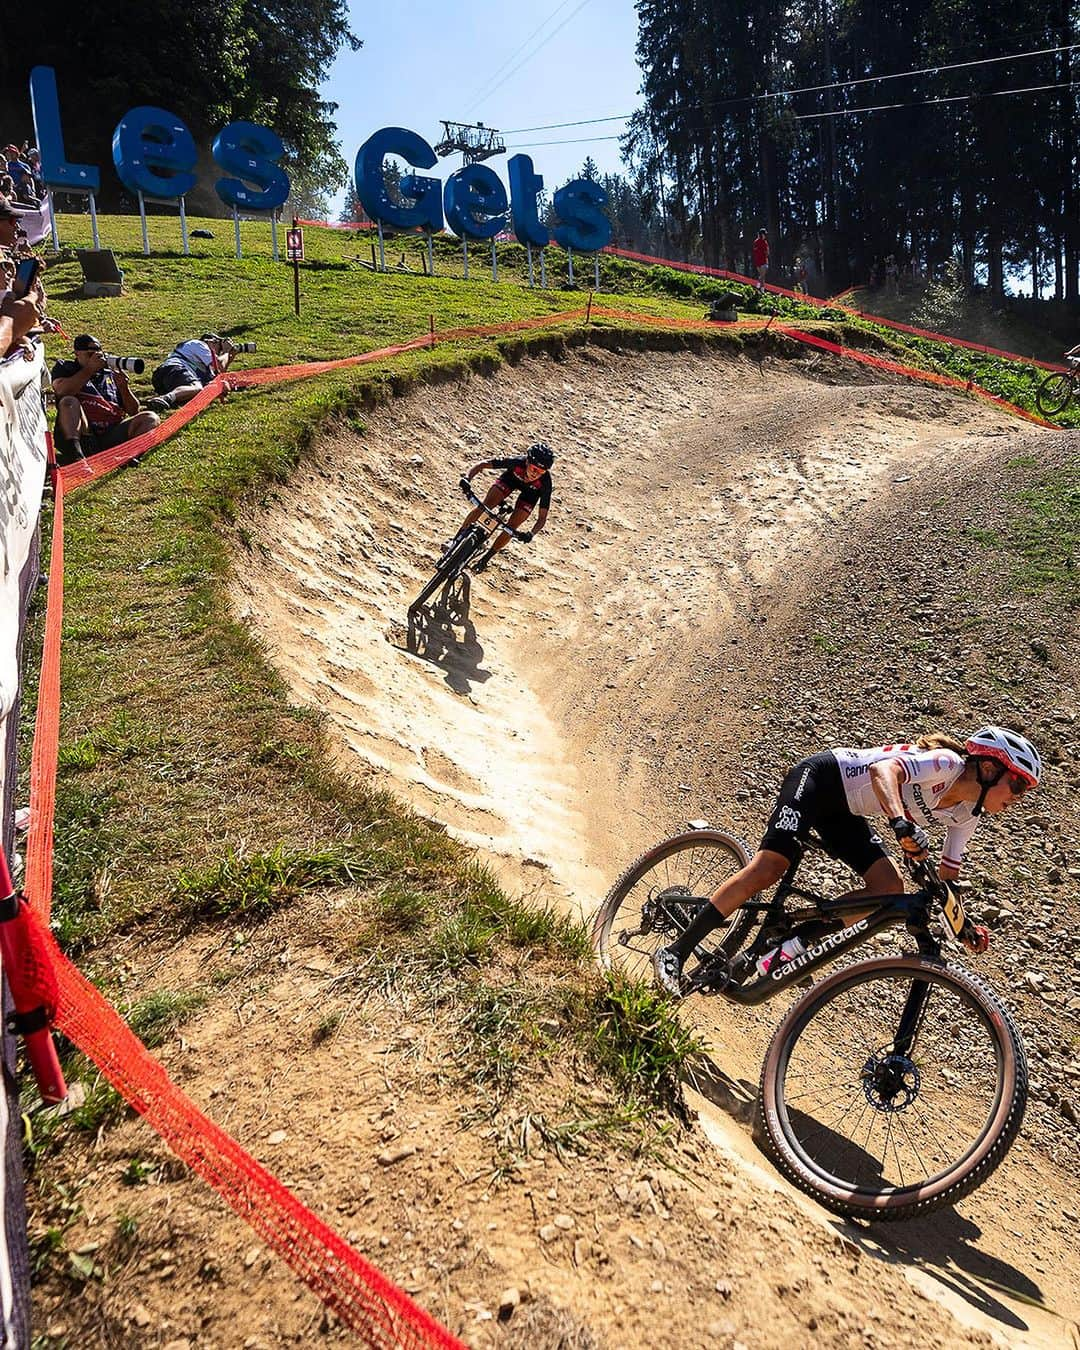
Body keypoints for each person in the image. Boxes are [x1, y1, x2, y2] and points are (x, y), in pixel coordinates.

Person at [652, 727, 1042, 996]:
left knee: (889, 890)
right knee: (771, 868)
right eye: (1019, 784)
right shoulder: (945, 764)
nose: (1019, 797)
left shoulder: (967, 815)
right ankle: (675, 953)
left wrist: (962, 925)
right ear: (990, 769)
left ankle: (790, 941)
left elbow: (946, 879)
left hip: (846, 811)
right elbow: (882, 770)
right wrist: (900, 823)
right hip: (821, 779)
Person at [50, 333, 159, 463]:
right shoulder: (66, 368)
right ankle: (77, 457)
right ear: (77, 353)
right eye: (90, 354)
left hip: (111, 432)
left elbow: (134, 411)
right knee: (69, 401)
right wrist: (89, 370)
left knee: (150, 418)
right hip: (86, 434)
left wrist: (124, 388)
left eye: (98, 353)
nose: (95, 357)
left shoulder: (109, 373)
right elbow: (62, 391)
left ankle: (129, 456)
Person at [451, 442, 554, 573]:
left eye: (541, 472)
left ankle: (486, 559)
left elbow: (542, 518)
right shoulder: (517, 462)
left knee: (511, 527)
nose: (536, 474)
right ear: (527, 462)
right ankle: (456, 540)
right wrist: (467, 478)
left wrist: (531, 534)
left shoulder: (545, 483)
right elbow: (482, 465)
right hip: (510, 480)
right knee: (485, 506)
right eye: (534, 469)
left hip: (530, 495)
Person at [145, 332, 236, 412]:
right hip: (174, 368)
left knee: (198, 390)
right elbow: (219, 364)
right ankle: (165, 398)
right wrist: (226, 351)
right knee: (196, 387)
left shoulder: (204, 365)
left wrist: (230, 357)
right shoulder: (198, 344)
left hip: (166, 379)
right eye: (219, 348)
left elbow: (219, 372)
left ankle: (167, 399)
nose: (218, 353)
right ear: (211, 341)